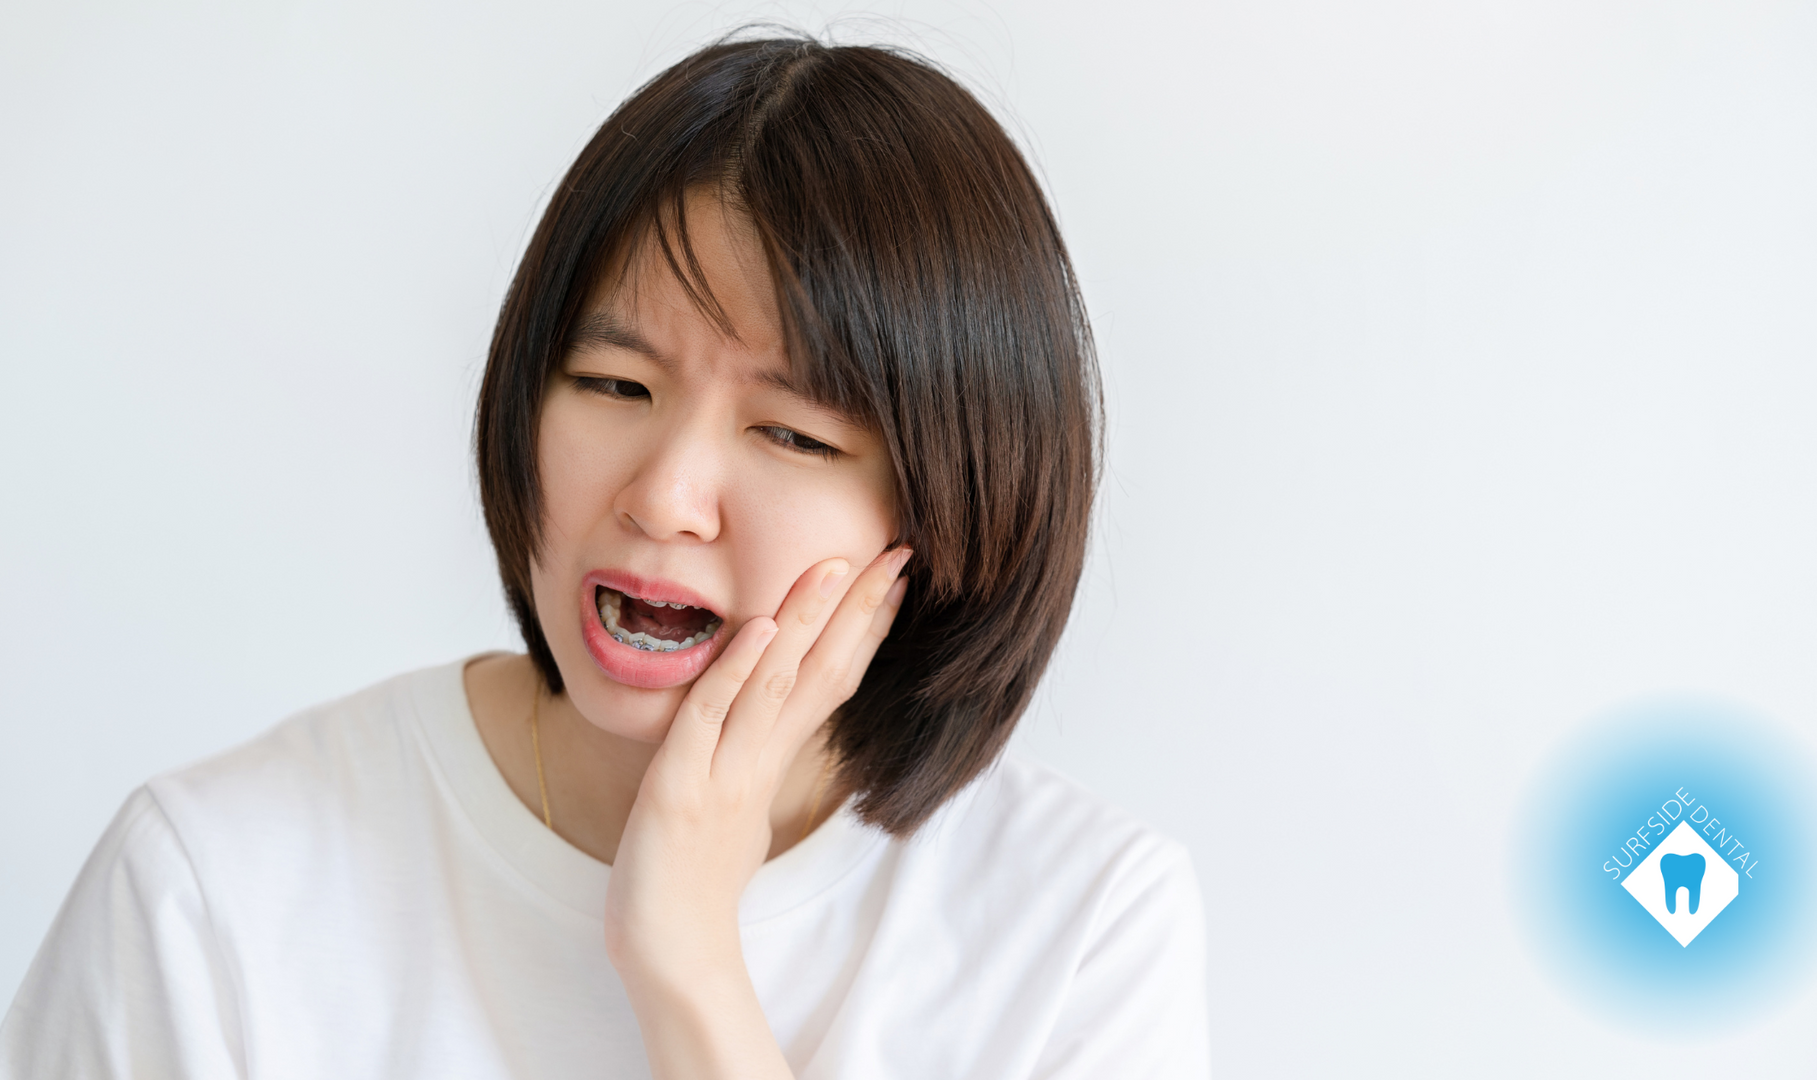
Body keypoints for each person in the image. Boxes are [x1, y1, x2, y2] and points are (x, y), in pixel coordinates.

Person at [1, 35, 1208, 1079]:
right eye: (613, 384)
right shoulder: (212, 888)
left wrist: (687, 964)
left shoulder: (1081, 932)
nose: (665, 495)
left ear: (945, 511)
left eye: (789, 432)